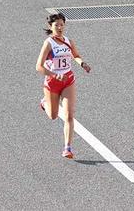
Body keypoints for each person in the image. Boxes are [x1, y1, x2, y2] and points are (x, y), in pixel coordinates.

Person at [36, 13, 91, 159]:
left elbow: (76, 55)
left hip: (68, 80)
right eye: (56, 25)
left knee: (69, 115)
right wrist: (54, 74)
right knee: (53, 116)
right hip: (52, 83)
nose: (60, 27)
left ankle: (67, 148)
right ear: (51, 27)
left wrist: (82, 64)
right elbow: (39, 67)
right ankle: (44, 102)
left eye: (62, 24)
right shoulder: (48, 43)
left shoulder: (68, 41)